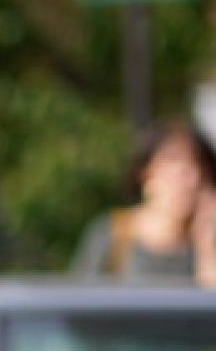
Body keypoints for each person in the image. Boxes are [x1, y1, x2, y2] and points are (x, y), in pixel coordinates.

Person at [70, 120, 216, 286]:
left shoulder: (208, 239)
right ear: (146, 172)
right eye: (177, 166)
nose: (193, 180)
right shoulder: (113, 234)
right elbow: (81, 296)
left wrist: (207, 248)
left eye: (200, 169)